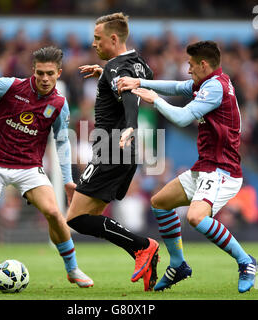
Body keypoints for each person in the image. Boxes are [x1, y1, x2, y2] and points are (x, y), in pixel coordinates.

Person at [0, 46, 93, 290]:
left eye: (50, 74)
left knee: (54, 213)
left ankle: (72, 269)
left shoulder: (59, 103)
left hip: (29, 167)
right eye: (40, 73)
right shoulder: (11, 86)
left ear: (59, 73)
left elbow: (62, 143)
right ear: (33, 71)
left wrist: (67, 180)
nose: (44, 78)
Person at [117, 40, 258, 293]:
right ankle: (179, 263)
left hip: (221, 169)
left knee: (195, 217)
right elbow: (176, 86)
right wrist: (140, 83)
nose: (188, 68)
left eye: (191, 64)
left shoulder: (215, 87)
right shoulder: (209, 82)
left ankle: (246, 261)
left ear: (204, 64)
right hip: (206, 167)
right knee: (160, 202)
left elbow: (182, 118)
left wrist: (155, 100)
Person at [65, 12, 159, 292]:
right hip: (125, 152)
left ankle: (143, 246)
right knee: (88, 213)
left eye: (98, 38)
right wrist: (105, 74)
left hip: (111, 147)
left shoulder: (118, 66)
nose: (93, 44)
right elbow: (144, 81)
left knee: (76, 219)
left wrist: (130, 125)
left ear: (114, 39)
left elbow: (128, 94)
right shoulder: (139, 63)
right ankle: (146, 259)